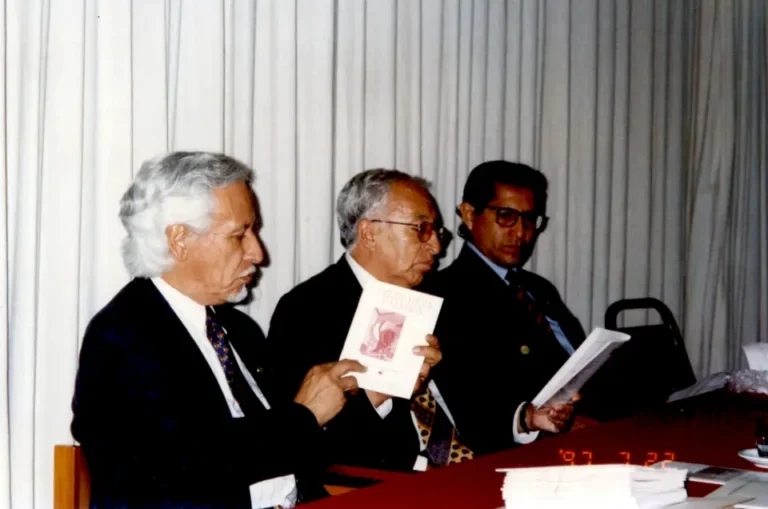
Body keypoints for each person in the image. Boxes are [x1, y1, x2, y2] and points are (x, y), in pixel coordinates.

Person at [70, 152, 365, 509]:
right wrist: (305, 416)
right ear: (179, 240)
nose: (258, 252)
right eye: (239, 235)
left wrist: (371, 393)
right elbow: (191, 464)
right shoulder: (123, 337)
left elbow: (295, 449)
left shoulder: (237, 329)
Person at [267, 169, 471, 472]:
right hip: (387, 481)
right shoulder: (307, 310)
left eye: (436, 232)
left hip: (471, 461)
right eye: (421, 229)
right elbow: (308, 440)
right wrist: (383, 391)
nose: (436, 248)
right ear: (370, 233)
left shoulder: (439, 296)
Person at [428, 160, 585, 456]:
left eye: (530, 220)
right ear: (469, 214)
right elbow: (471, 403)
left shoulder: (538, 288)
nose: (521, 233)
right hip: (527, 448)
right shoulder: (445, 294)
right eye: (506, 216)